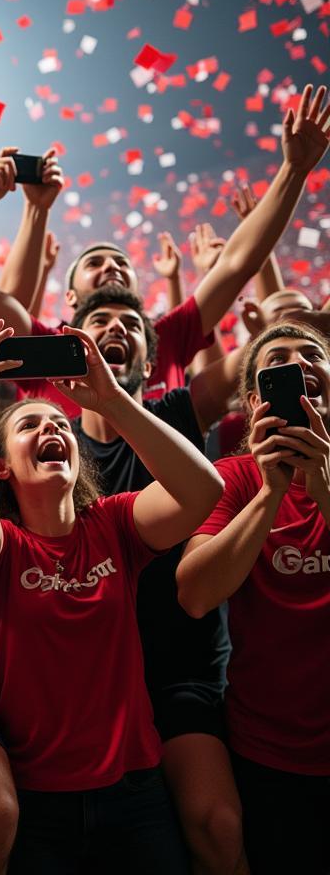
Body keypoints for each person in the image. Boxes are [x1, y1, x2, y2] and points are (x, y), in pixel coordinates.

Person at [0, 320, 224, 872]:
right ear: (1, 465)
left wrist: (114, 402)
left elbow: (202, 492)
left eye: (59, 423)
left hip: (136, 793)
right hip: (41, 803)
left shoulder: (115, 522)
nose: (51, 427)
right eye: (29, 425)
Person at [0, 84, 330, 411]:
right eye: (95, 263)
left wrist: (293, 172)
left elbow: (236, 265)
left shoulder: (164, 336)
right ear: (70, 298)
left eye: (122, 263)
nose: (112, 267)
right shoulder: (49, 347)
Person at [69, 286, 248, 873]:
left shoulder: (177, 411)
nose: (114, 328)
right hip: (92, 680)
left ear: (150, 360)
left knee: (218, 824)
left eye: (129, 323)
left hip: (180, 673)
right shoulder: (52, 444)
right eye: (98, 322)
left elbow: (261, 350)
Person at [177, 321, 330, 874]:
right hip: (266, 751)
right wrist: (272, 492)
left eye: (312, 354)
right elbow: (195, 594)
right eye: (279, 362)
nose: (298, 364)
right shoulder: (236, 479)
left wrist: (324, 490)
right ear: (252, 401)